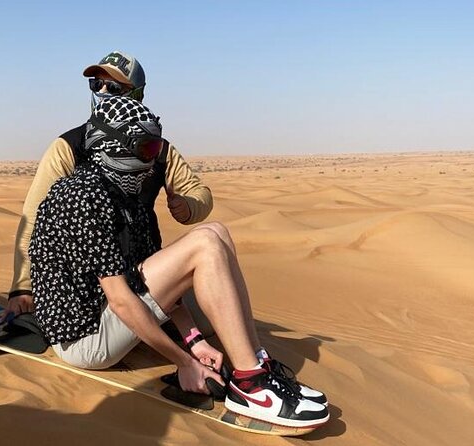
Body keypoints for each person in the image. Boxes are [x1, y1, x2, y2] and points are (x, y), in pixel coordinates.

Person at [27, 94, 330, 429]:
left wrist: (195, 340)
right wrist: (185, 361)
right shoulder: (81, 194)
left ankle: (257, 366)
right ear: (113, 146)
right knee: (203, 245)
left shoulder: (124, 193)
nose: (154, 160)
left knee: (215, 232)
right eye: (147, 149)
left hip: (111, 316)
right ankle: (251, 389)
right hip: (84, 339)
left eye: (155, 149)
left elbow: (152, 282)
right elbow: (122, 299)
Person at [1, 51, 213, 334]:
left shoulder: (156, 149)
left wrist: (188, 206)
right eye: (95, 85)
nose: (102, 92)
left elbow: (199, 192)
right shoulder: (70, 146)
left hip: (140, 270)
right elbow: (33, 218)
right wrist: (22, 288)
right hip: (85, 284)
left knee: (210, 321)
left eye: (113, 87)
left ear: (137, 95)